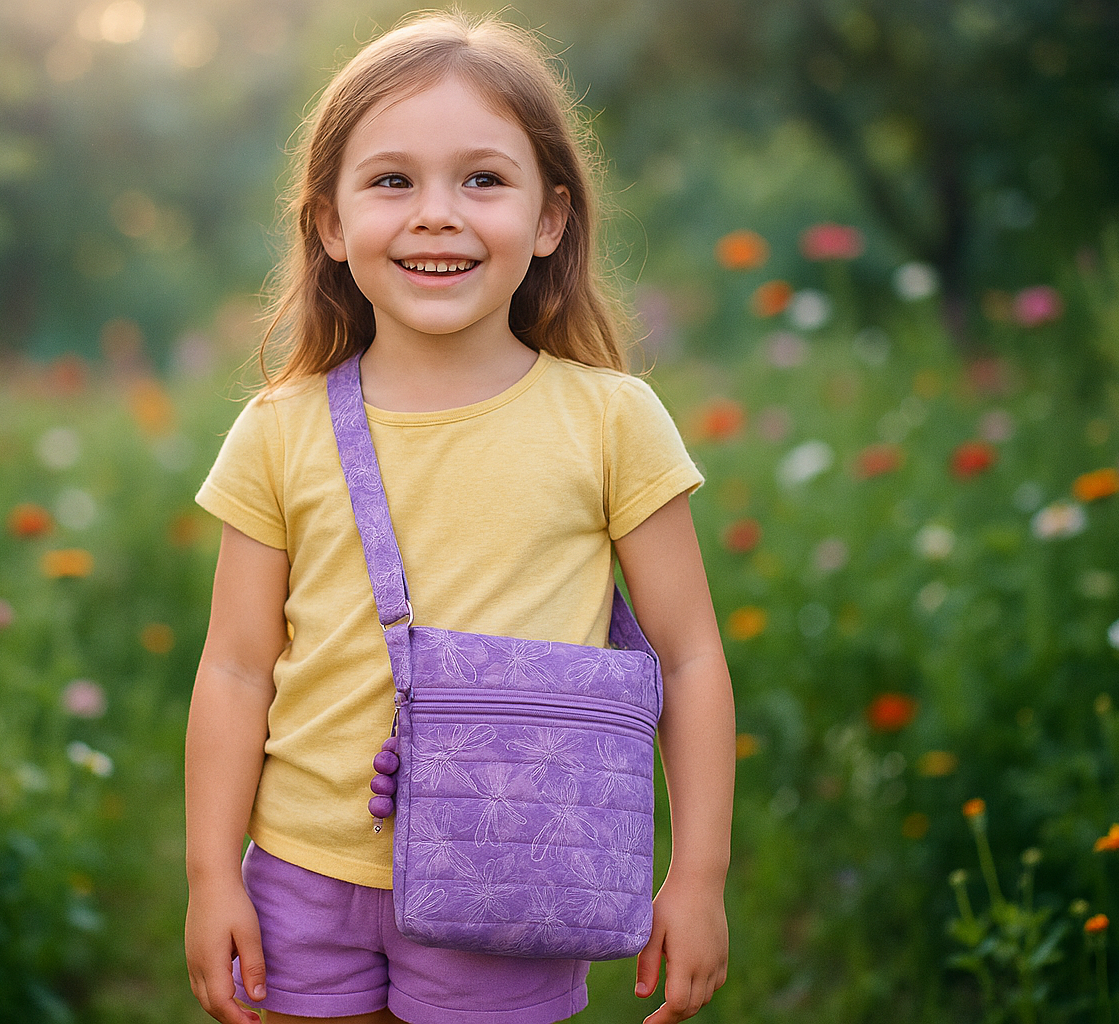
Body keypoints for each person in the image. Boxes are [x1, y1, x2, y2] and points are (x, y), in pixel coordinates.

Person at [184, 12, 735, 1024]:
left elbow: (691, 656)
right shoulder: (278, 430)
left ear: (550, 218)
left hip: (516, 867)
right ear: (330, 225)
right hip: (308, 873)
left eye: (483, 179)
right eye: (392, 181)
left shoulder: (611, 420)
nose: (437, 214)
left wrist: (697, 877)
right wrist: (211, 875)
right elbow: (233, 666)